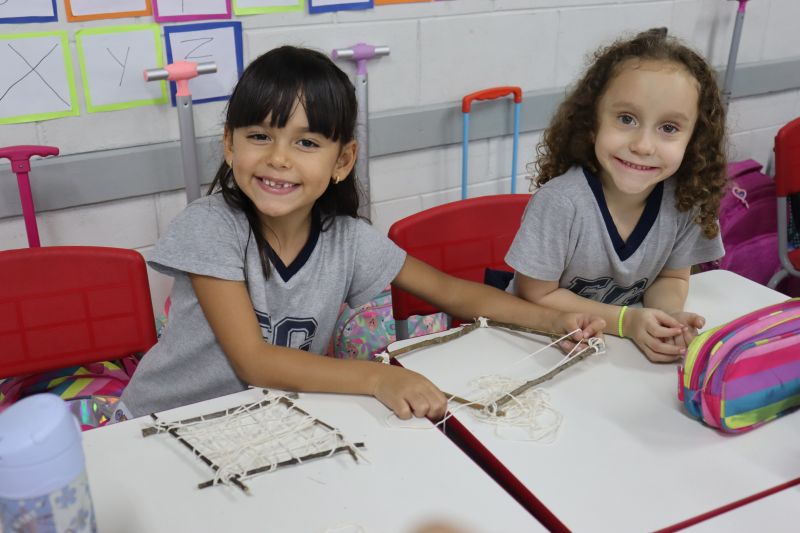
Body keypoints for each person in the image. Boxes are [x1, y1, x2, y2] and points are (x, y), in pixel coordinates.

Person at [120, 46, 604, 421]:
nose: (278, 158)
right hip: (161, 422)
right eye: (259, 137)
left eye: (306, 142)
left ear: (343, 160)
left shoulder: (348, 240)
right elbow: (254, 362)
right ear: (230, 145)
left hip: (264, 422)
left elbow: (453, 293)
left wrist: (552, 322)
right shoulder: (211, 226)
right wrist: (377, 378)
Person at [505, 29, 726, 363]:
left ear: (694, 140)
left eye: (669, 128)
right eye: (626, 119)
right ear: (592, 122)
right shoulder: (560, 203)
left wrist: (666, 319)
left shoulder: (686, 200)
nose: (643, 146)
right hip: (533, 346)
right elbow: (535, 295)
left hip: (612, 353)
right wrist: (627, 322)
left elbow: (671, 277)